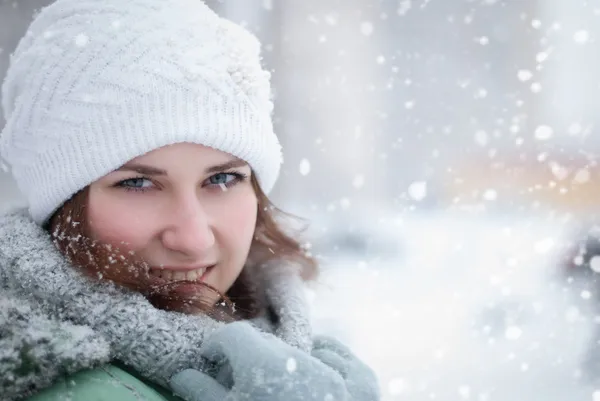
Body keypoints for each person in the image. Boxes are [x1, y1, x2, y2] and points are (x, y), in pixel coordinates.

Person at [0, 0, 380, 400]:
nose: (194, 238)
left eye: (222, 178)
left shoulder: (289, 354)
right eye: (137, 185)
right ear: (64, 206)